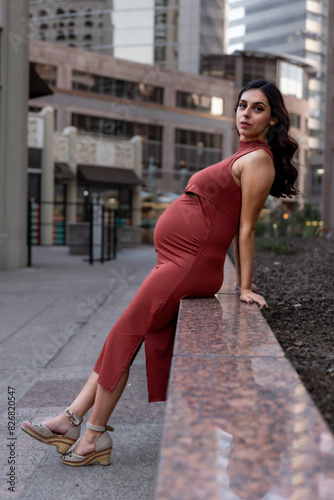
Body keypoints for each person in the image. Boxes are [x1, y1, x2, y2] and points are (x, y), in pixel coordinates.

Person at [21, 79, 298, 467]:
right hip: (175, 262)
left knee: (124, 333)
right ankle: (71, 420)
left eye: (257, 108)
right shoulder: (243, 155)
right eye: (242, 105)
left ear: (272, 119)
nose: (245, 114)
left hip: (189, 265)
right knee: (124, 334)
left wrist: (246, 286)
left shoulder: (258, 160)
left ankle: (93, 435)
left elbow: (245, 228)